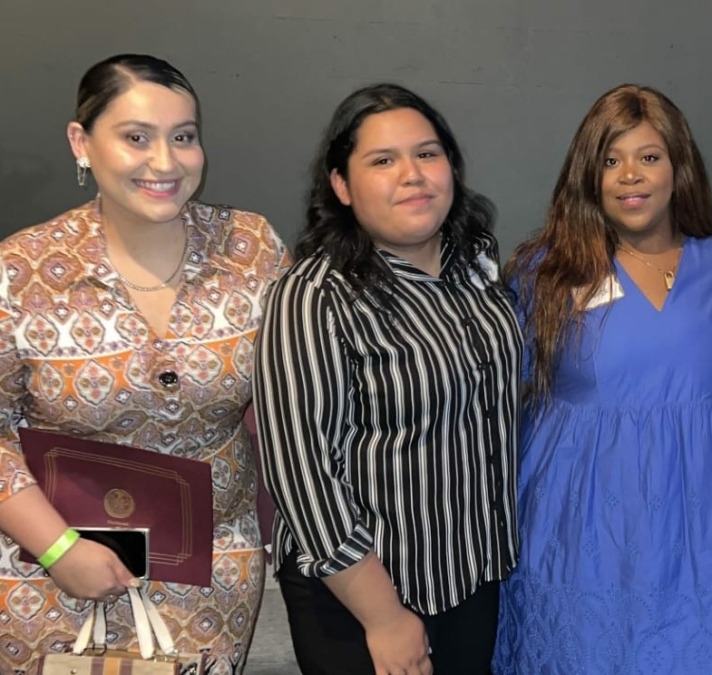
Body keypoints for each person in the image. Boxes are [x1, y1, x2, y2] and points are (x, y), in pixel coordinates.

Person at [0, 54, 290, 674]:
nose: (165, 162)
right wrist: (57, 549)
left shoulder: (251, 248)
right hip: (47, 564)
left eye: (183, 137)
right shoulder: (21, 270)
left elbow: (299, 387)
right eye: (137, 137)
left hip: (210, 562)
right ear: (82, 142)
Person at [252, 83, 520, 675]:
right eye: (382, 160)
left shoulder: (474, 260)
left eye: (427, 153)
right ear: (342, 186)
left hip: (470, 571)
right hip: (362, 595)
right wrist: (384, 616)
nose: (413, 174)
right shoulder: (314, 296)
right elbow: (301, 473)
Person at [492, 84, 712, 674]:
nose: (629, 176)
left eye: (648, 156)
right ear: (588, 175)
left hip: (700, 530)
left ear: (678, 166)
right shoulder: (546, 272)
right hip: (578, 527)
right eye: (610, 160)